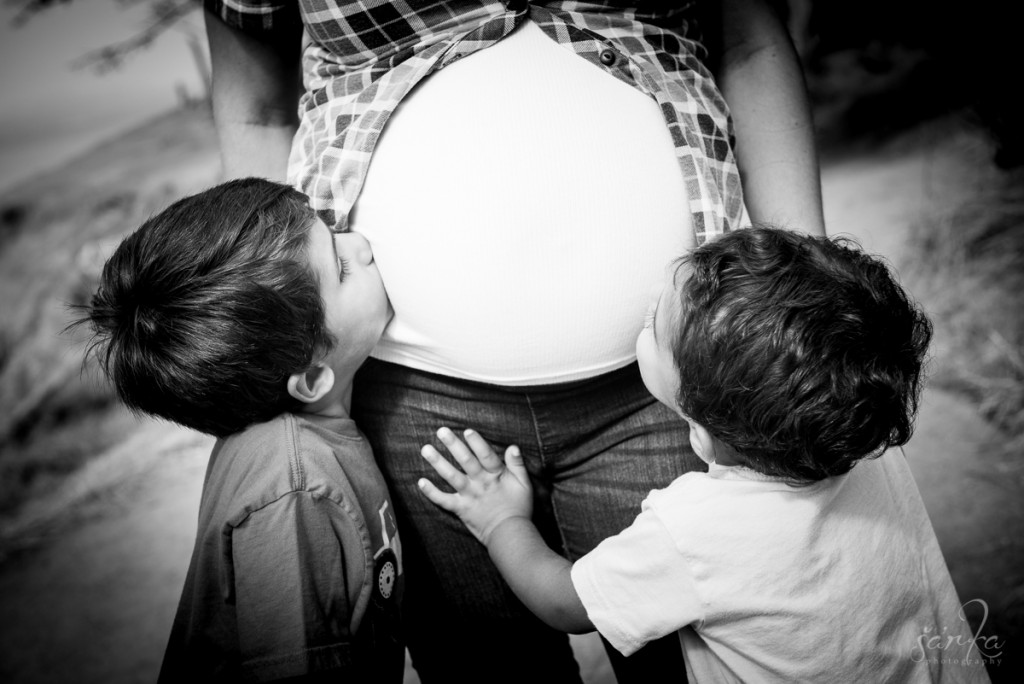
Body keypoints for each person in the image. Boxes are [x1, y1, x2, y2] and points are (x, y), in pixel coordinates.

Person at [202, 0, 826, 681]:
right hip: (411, 398)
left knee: (691, 668)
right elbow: (256, 106)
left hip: (673, 377)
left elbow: (750, 44)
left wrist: (810, 299)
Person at [418, 226, 993, 683]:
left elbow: (567, 605)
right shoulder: (866, 446)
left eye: (652, 325)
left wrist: (499, 520)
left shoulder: (692, 531)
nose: (647, 305)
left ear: (702, 431)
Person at [71, 178, 404, 683]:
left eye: (334, 233)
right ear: (312, 378)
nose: (361, 245)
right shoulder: (295, 493)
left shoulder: (279, 440)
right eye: (340, 267)